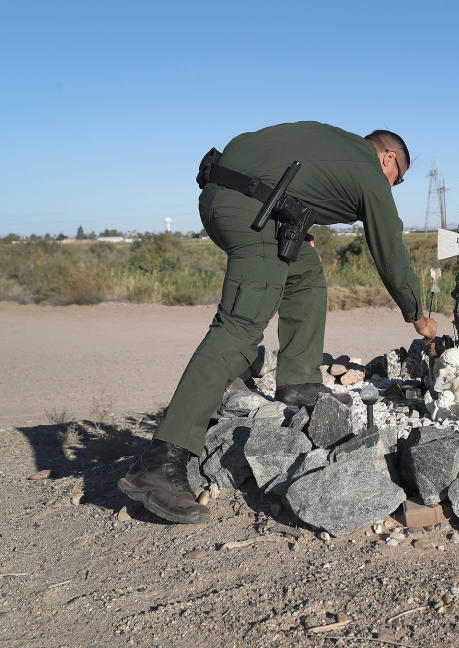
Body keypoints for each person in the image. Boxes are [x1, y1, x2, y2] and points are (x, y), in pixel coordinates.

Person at [118, 121, 438, 524]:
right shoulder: (367, 167)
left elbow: (277, 169)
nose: (392, 186)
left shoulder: (331, 140)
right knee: (238, 328)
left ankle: (299, 385)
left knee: (304, 273)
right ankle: (160, 463)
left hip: (232, 195)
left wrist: (296, 222)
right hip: (251, 211)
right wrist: (417, 312)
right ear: (388, 158)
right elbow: (387, 242)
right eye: (398, 178)